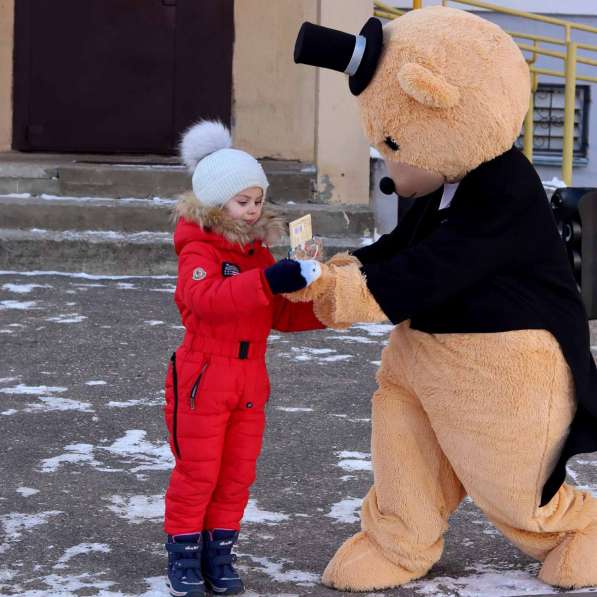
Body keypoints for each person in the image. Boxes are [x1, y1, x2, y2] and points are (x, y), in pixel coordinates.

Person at [164, 121, 323, 596]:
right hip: (204, 374)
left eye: (257, 200)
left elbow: (277, 314)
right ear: (216, 202)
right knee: (199, 471)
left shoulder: (259, 253)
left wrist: (326, 305)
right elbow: (205, 299)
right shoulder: (199, 248)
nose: (253, 210)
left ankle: (219, 552)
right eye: (242, 201)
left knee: (237, 472)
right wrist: (269, 281)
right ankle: (184, 556)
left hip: (250, 377)